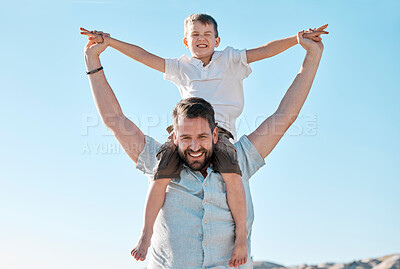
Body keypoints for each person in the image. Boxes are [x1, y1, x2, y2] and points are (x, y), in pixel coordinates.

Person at [81, 14, 328, 266]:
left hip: (226, 143)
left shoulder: (238, 155)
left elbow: (284, 115)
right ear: (174, 136)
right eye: (186, 138)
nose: (195, 146)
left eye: (202, 137)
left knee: (235, 179)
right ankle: (145, 234)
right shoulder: (159, 157)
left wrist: (310, 54)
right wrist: (95, 57)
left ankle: (240, 236)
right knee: (160, 176)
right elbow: (114, 117)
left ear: (214, 134)